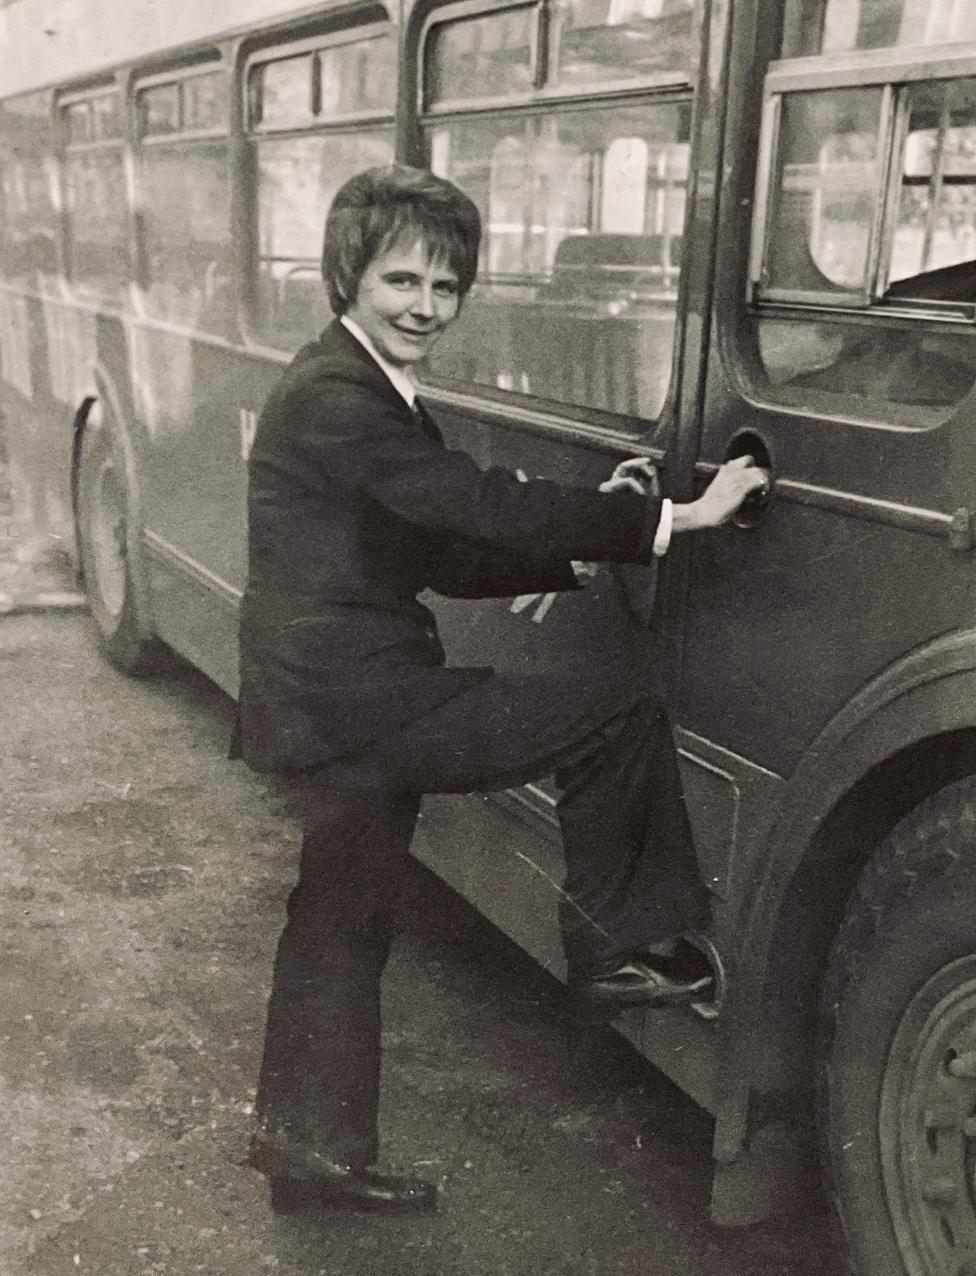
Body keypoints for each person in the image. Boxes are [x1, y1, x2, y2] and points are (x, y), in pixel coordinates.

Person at [233, 164, 767, 1217]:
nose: (426, 308)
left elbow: (426, 540)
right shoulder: (338, 397)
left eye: (446, 288)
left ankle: (307, 1154)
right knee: (614, 713)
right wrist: (673, 520)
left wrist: (559, 559)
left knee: (338, 919)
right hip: (360, 700)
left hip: (322, 698)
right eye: (401, 282)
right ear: (348, 277)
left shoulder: (352, 386)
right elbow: (468, 502)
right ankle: (619, 948)